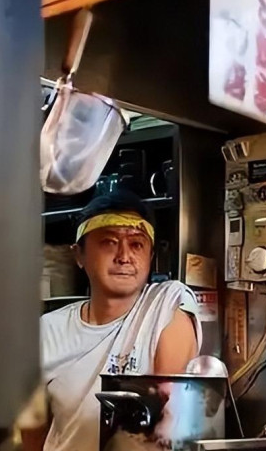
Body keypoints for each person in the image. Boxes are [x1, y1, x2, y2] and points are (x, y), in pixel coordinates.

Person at [19, 190, 202, 451]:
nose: (124, 256)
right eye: (109, 242)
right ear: (79, 255)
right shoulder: (47, 331)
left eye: (137, 245)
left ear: (150, 257)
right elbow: (32, 432)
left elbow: (167, 408)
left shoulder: (167, 304)